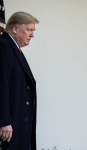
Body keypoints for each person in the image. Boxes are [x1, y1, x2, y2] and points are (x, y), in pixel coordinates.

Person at [0, 12, 39, 150]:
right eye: (29, 30)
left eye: (33, 31)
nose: (32, 35)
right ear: (15, 29)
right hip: (10, 126)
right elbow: (1, 85)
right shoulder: (3, 46)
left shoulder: (13, 48)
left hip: (19, 123)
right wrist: (4, 121)